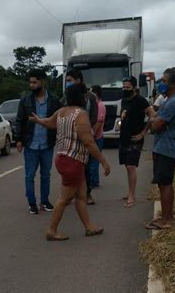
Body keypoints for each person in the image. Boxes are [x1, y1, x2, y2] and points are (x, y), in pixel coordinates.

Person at [30, 84, 110, 241]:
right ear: (82, 97)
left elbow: (49, 123)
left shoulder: (61, 112)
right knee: (64, 198)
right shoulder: (81, 114)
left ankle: (89, 227)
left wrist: (38, 120)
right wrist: (104, 162)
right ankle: (52, 230)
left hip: (63, 158)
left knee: (80, 196)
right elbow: (88, 141)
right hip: (73, 161)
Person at [14, 69, 62, 214]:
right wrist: (19, 139)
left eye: (34, 82)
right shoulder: (25, 100)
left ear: (43, 82)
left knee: (46, 175)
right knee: (29, 175)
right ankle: (32, 203)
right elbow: (19, 120)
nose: (32, 85)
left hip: (47, 143)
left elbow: (59, 120)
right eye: (30, 82)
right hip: (31, 144)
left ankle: (45, 201)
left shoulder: (54, 100)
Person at [146, 67, 175, 230]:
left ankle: (167, 219)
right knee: (164, 183)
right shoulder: (170, 100)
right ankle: (167, 216)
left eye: (164, 80)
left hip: (166, 149)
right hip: (164, 148)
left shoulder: (174, 102)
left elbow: (155, 126)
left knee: (165, 183)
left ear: (173, 83)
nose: (161, 83)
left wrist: (152, 118)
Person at [119, 76, 156, 208]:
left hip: (135, 138)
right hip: (124, 137)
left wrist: (143, 133)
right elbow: (123, 116)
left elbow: (152, 116)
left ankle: (131, 196)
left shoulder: (141, 101)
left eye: (127, 87)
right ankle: (130, 192)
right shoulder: (124, 100)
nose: (125, 89)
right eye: (123, 87)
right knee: (127, 166)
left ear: (134, 88)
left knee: (131, 166)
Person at [63, 69, 98, 205]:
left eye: (69, 80)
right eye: (67, 81)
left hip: (84, 137)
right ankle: (69, 194)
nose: (67, 83)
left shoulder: (90, 97)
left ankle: (87, 193)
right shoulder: (66, 97)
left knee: (86, 167)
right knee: (69, 167)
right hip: (69, 138)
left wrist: (85, 127)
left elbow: (94, 116)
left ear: (78, 80)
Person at [88, 85, 106, 188]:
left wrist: (93, 134)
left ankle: (93, 181)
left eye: (91, 92)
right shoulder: (94, 104)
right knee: (92, 160)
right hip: (93, 136)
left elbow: (99, 123)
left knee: (94, 160)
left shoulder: (100, 105)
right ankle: (94, 180)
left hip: (97, 137)